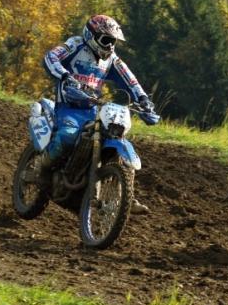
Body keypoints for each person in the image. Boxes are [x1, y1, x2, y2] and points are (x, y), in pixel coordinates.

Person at [37, 14, 156, 213]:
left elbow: (130, 80)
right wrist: (65, 75)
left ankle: (123, 194)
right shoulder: (75, 45)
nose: (110, 46)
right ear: (91, 35)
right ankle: (42, 169)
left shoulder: (112, 60)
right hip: (68, 107)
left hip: (93, 109)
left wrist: (143, 99)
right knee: (68, 136)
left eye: (113, 42)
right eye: (106, 40)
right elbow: (51, 57)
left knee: (114, 138)